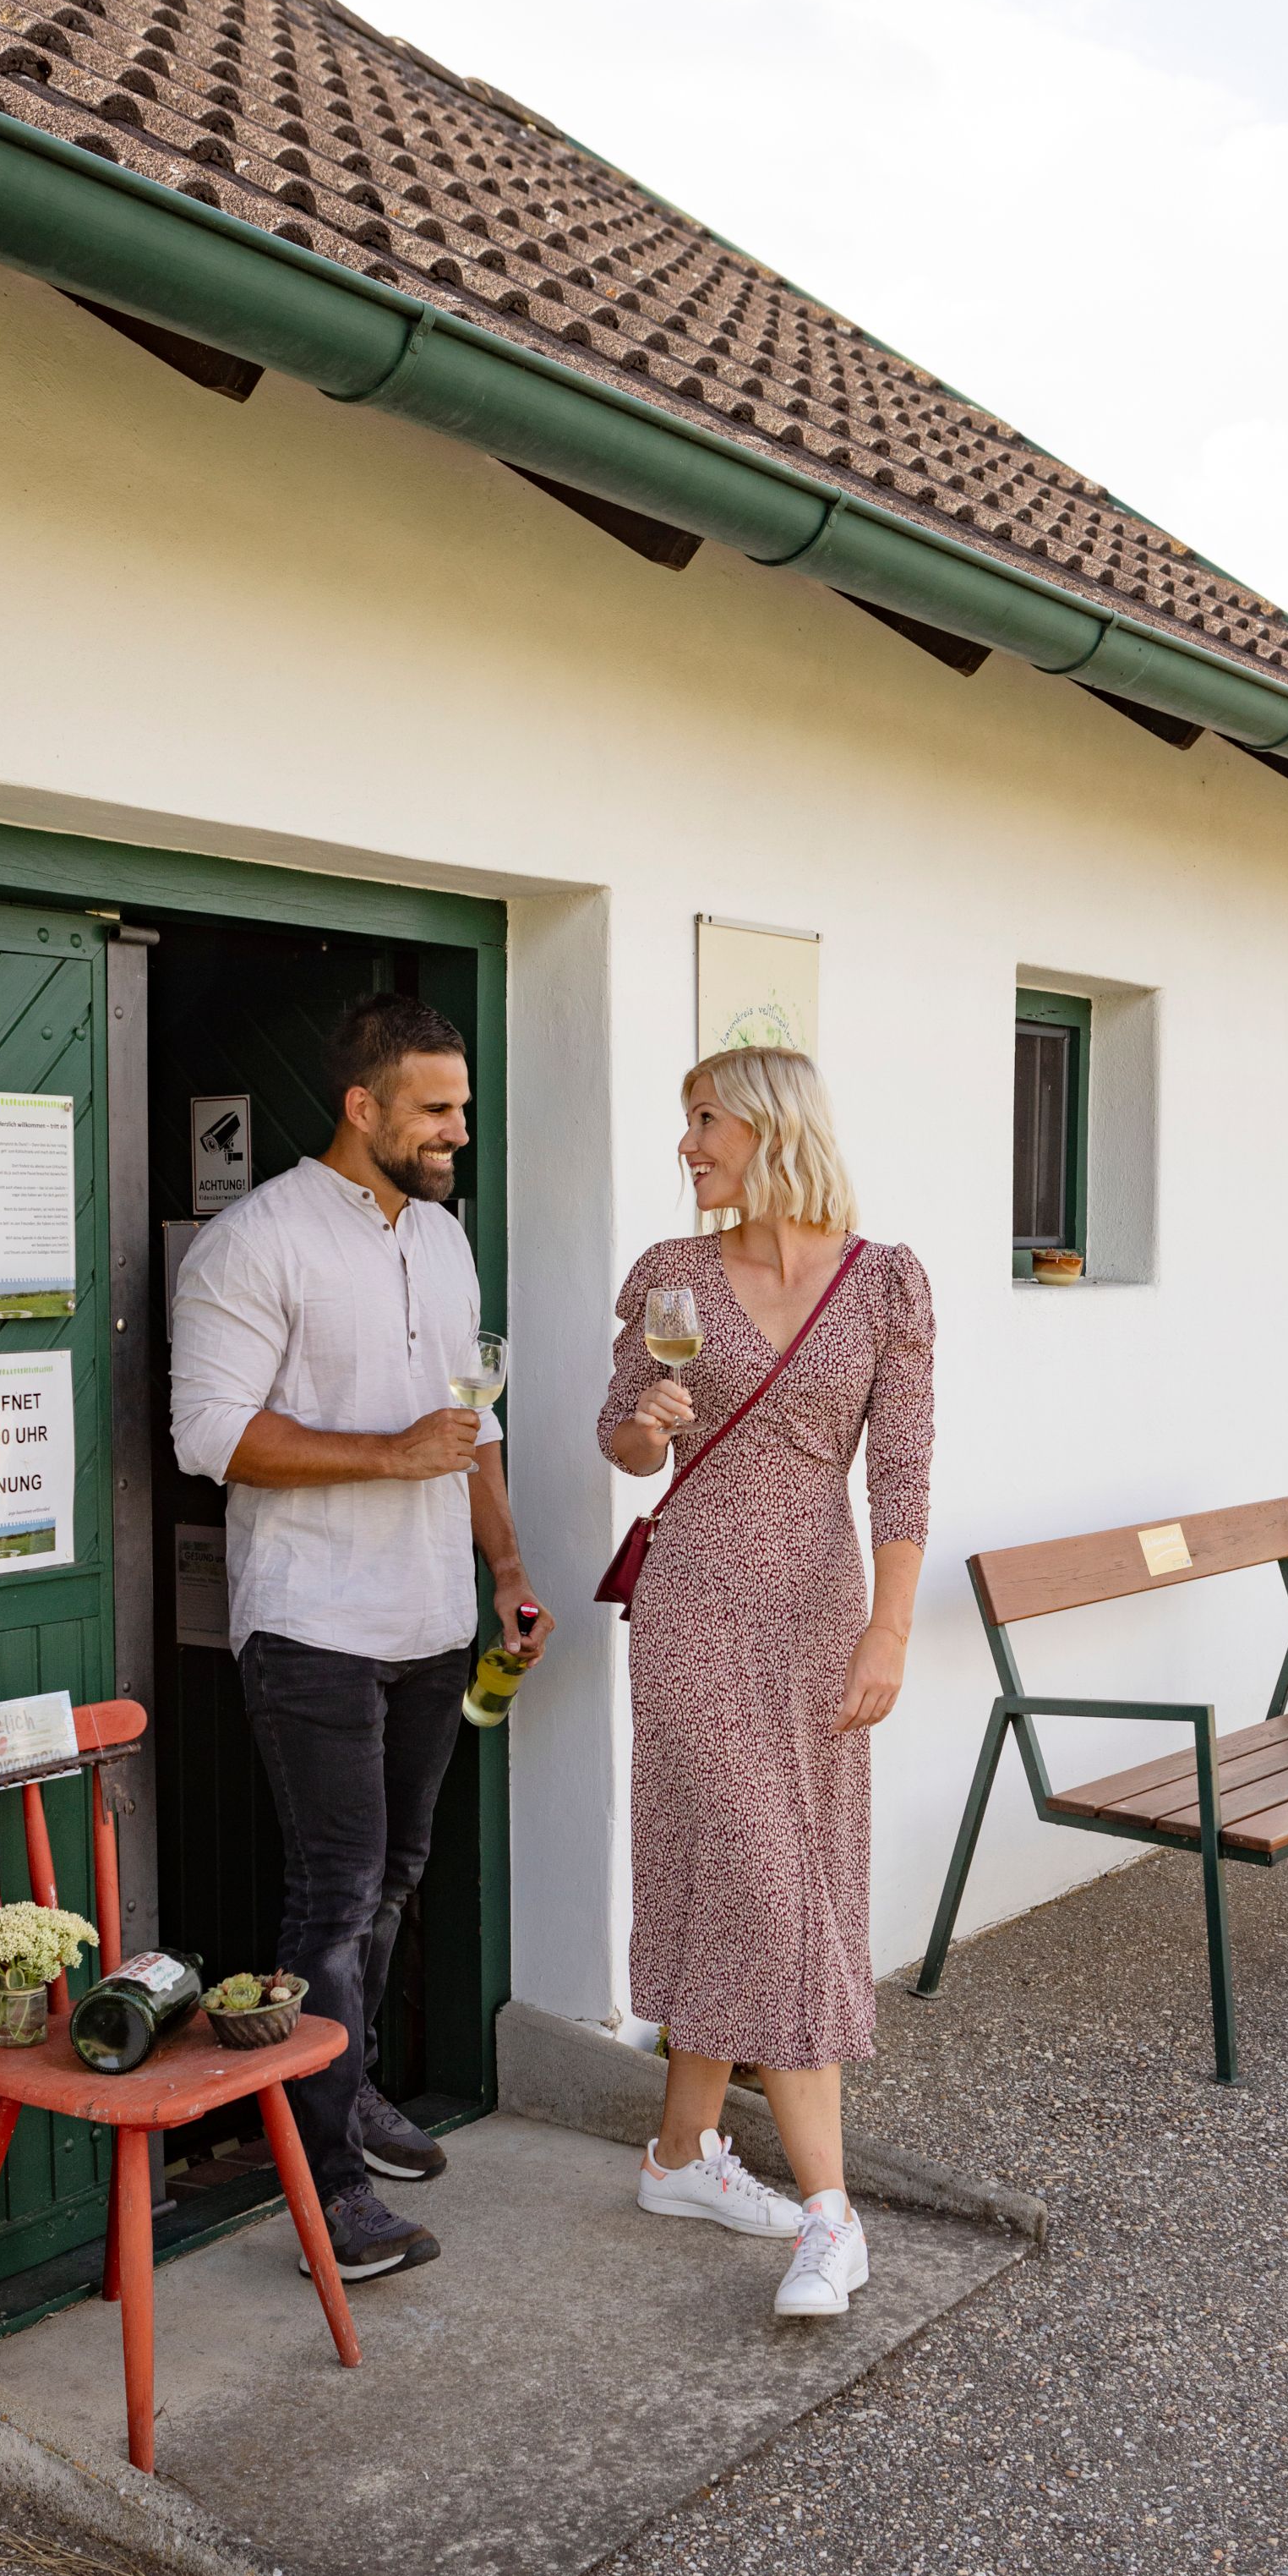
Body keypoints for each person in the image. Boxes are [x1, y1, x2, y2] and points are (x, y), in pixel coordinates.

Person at [172, 994, 553, 2281]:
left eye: (461, 1108)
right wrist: (391, 1458)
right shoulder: (253, 1241)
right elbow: (209, 1436)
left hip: (434, 1615)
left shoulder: (443, 1239)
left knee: (394, 1880)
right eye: (438, 1108)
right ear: (363, 1107)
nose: (459, 1130)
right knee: (332, 1896)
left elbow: (476, 1425)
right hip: (313, 1623)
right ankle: (323, 2178)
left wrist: (504, 1568)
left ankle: (352, 2081)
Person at [598, 1045, 932, 2319]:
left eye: (704, 1121)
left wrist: (889, 1633)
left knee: (762, 1870)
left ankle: (681, 2157)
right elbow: (623, 1437)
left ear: (772, 1127)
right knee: (766, 1877)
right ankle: (833, 2219)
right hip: (692, 1603)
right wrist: (648, 1426)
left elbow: (900, 1478)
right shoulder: (673, 1276)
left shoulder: (883, 1287)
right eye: (685, 1123)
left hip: (820, 1613)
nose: (687, 1146)